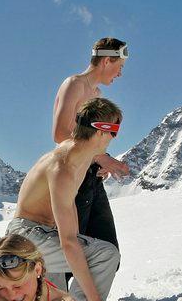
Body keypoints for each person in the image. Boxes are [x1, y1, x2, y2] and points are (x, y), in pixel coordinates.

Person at [6, 97, 123, 301]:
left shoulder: (79, 155)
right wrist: (95, 300)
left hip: (37, 235)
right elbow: (68, 242)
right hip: (29, 238)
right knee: (105, 254)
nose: (114, 138)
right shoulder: (63, 167)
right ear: (101, 131)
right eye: (115, 131)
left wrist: (100, 165)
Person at [50, 38, 130, 249]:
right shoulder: (74, 84)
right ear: (106, 61)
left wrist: (102, 161)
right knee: (73, 250)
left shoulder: (97, 95)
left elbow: (90, 141)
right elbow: (60, 134)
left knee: (108, 248)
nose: (120, 74)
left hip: (91, 176)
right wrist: (99, 157)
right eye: (119, 67)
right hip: (73, 176)